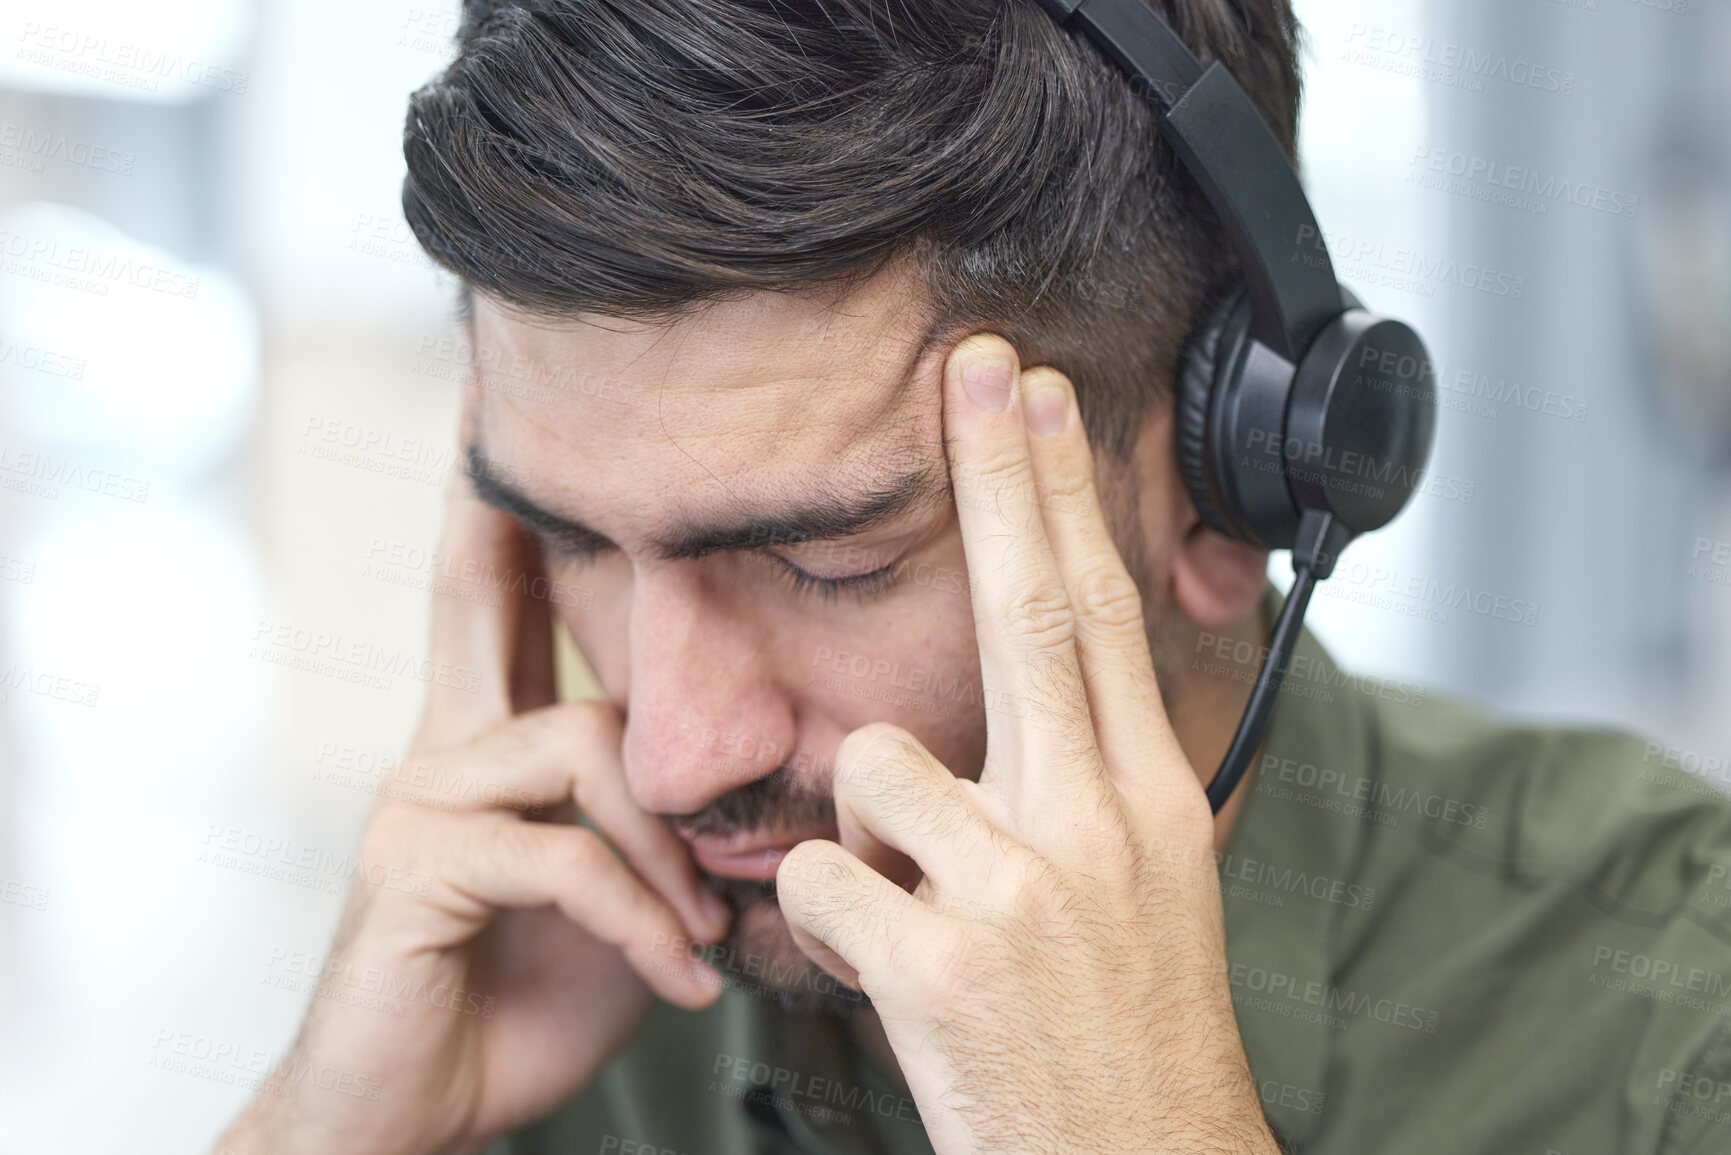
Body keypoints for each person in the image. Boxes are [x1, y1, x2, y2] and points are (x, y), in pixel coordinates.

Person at [217, 1, 1731, 1152]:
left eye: (828, 563)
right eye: (571, 543)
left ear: (1236, 481)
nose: (669, 750)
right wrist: (321, 1126)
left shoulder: (1672, 1020)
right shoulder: (538, 987)